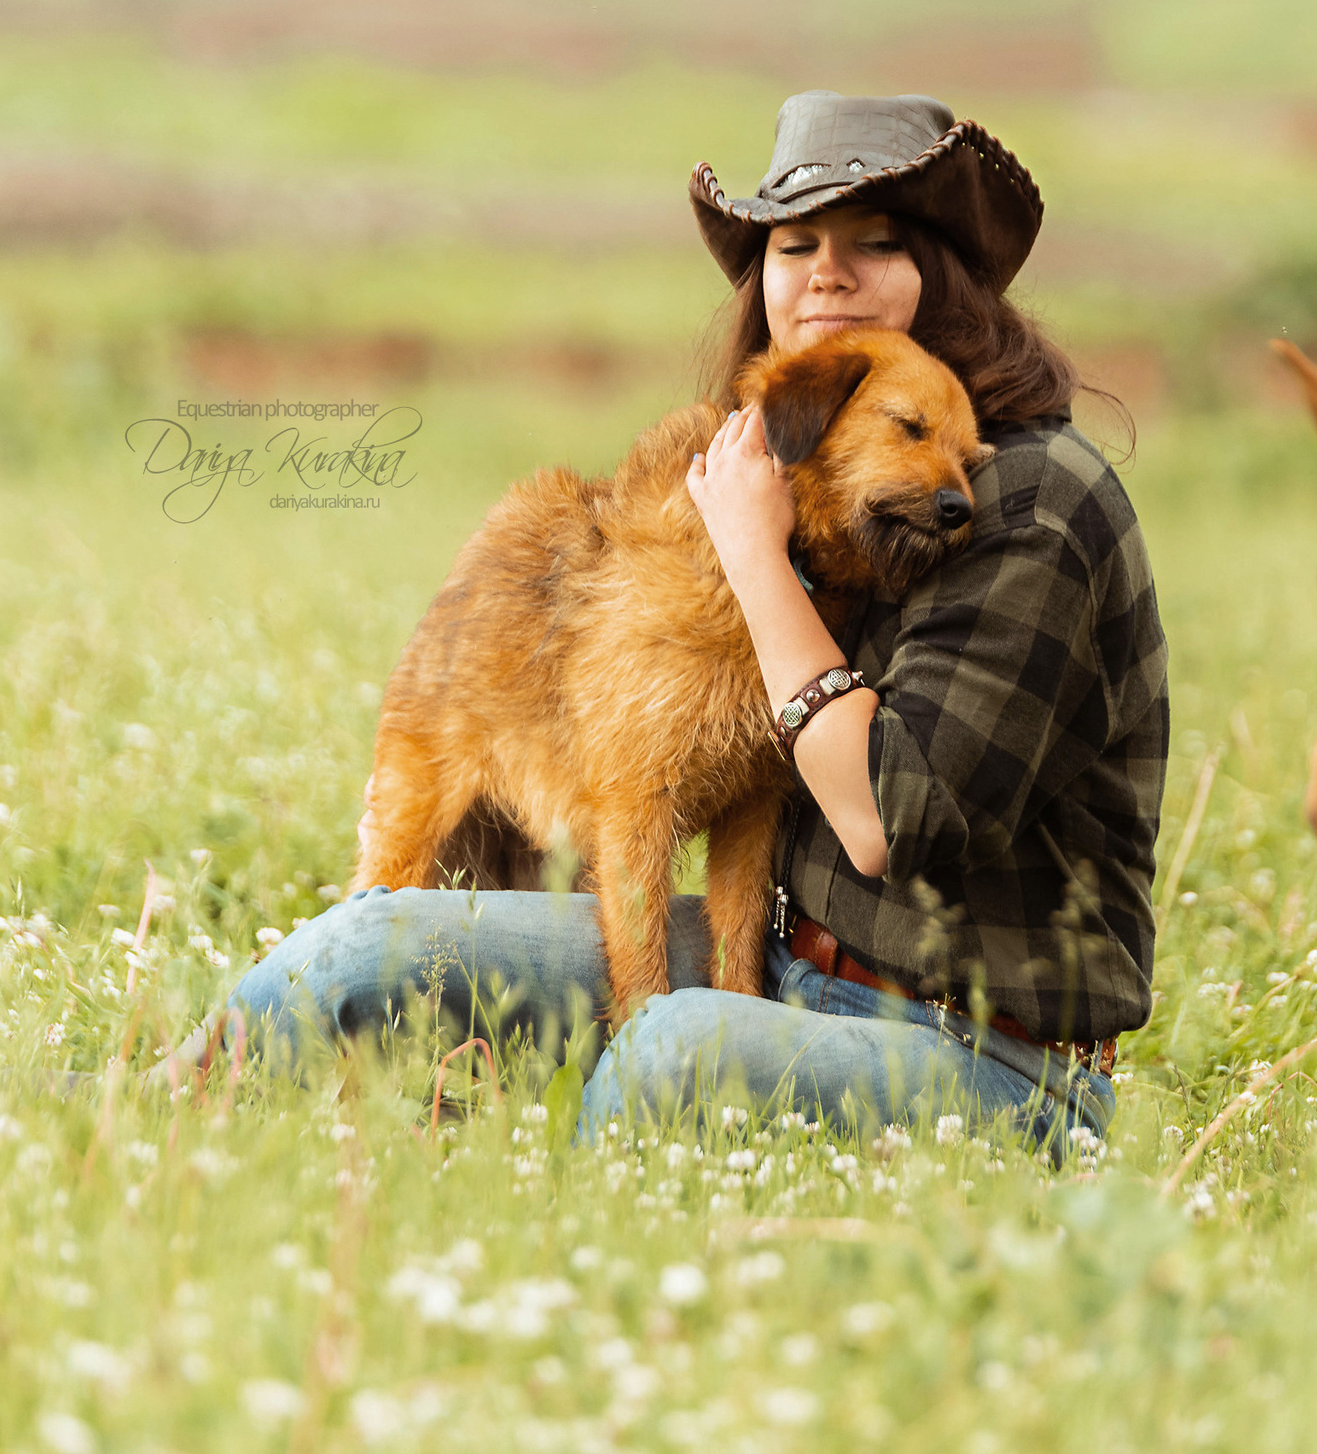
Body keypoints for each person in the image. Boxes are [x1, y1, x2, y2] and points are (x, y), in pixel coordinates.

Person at [150, 92, 1168, 1151]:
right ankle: (133, 1107)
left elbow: (881, 819)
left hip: (976, 1054)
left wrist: (751, 556)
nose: (826, 272)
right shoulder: (810, 473)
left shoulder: (1025, 499)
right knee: (377, 942)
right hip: (789, 970)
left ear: (947, 274)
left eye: (878, 242)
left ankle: (564, 1261)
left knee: (668, 1046)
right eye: (794, 244)